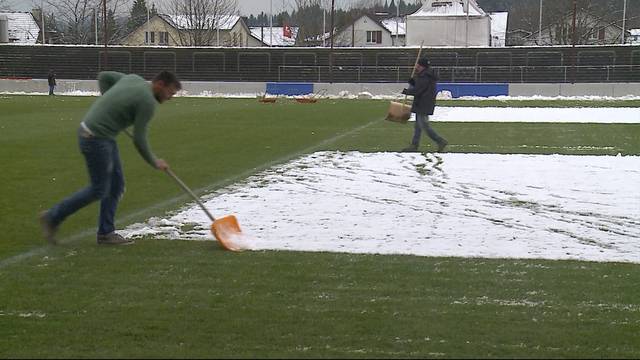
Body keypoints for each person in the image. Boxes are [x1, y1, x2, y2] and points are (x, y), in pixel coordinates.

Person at [39, 70, 182, 245]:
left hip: (98, 134)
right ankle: (52, 217)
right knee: (99, 189)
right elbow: (139, 138)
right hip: (96, 138)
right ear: (160, 84)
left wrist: (111, 103)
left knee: (116, 185)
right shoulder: (147, 103)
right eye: (170, 93)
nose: (170, 97)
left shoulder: (133, 79)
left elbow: (104, 77)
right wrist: (154, 161)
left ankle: (105, 233)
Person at [401, 57, 448, 153]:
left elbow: (418, 90)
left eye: (418, 64)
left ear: (422, 66)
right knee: (418, 126)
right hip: (423, 102)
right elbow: (419, 86)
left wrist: (407, 91)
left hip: (423, 103)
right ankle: (414, 145)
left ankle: (440, 141)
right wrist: (412, 81)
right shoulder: (425, 75)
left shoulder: (425, 76)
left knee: (424, 125)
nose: (416, 66)